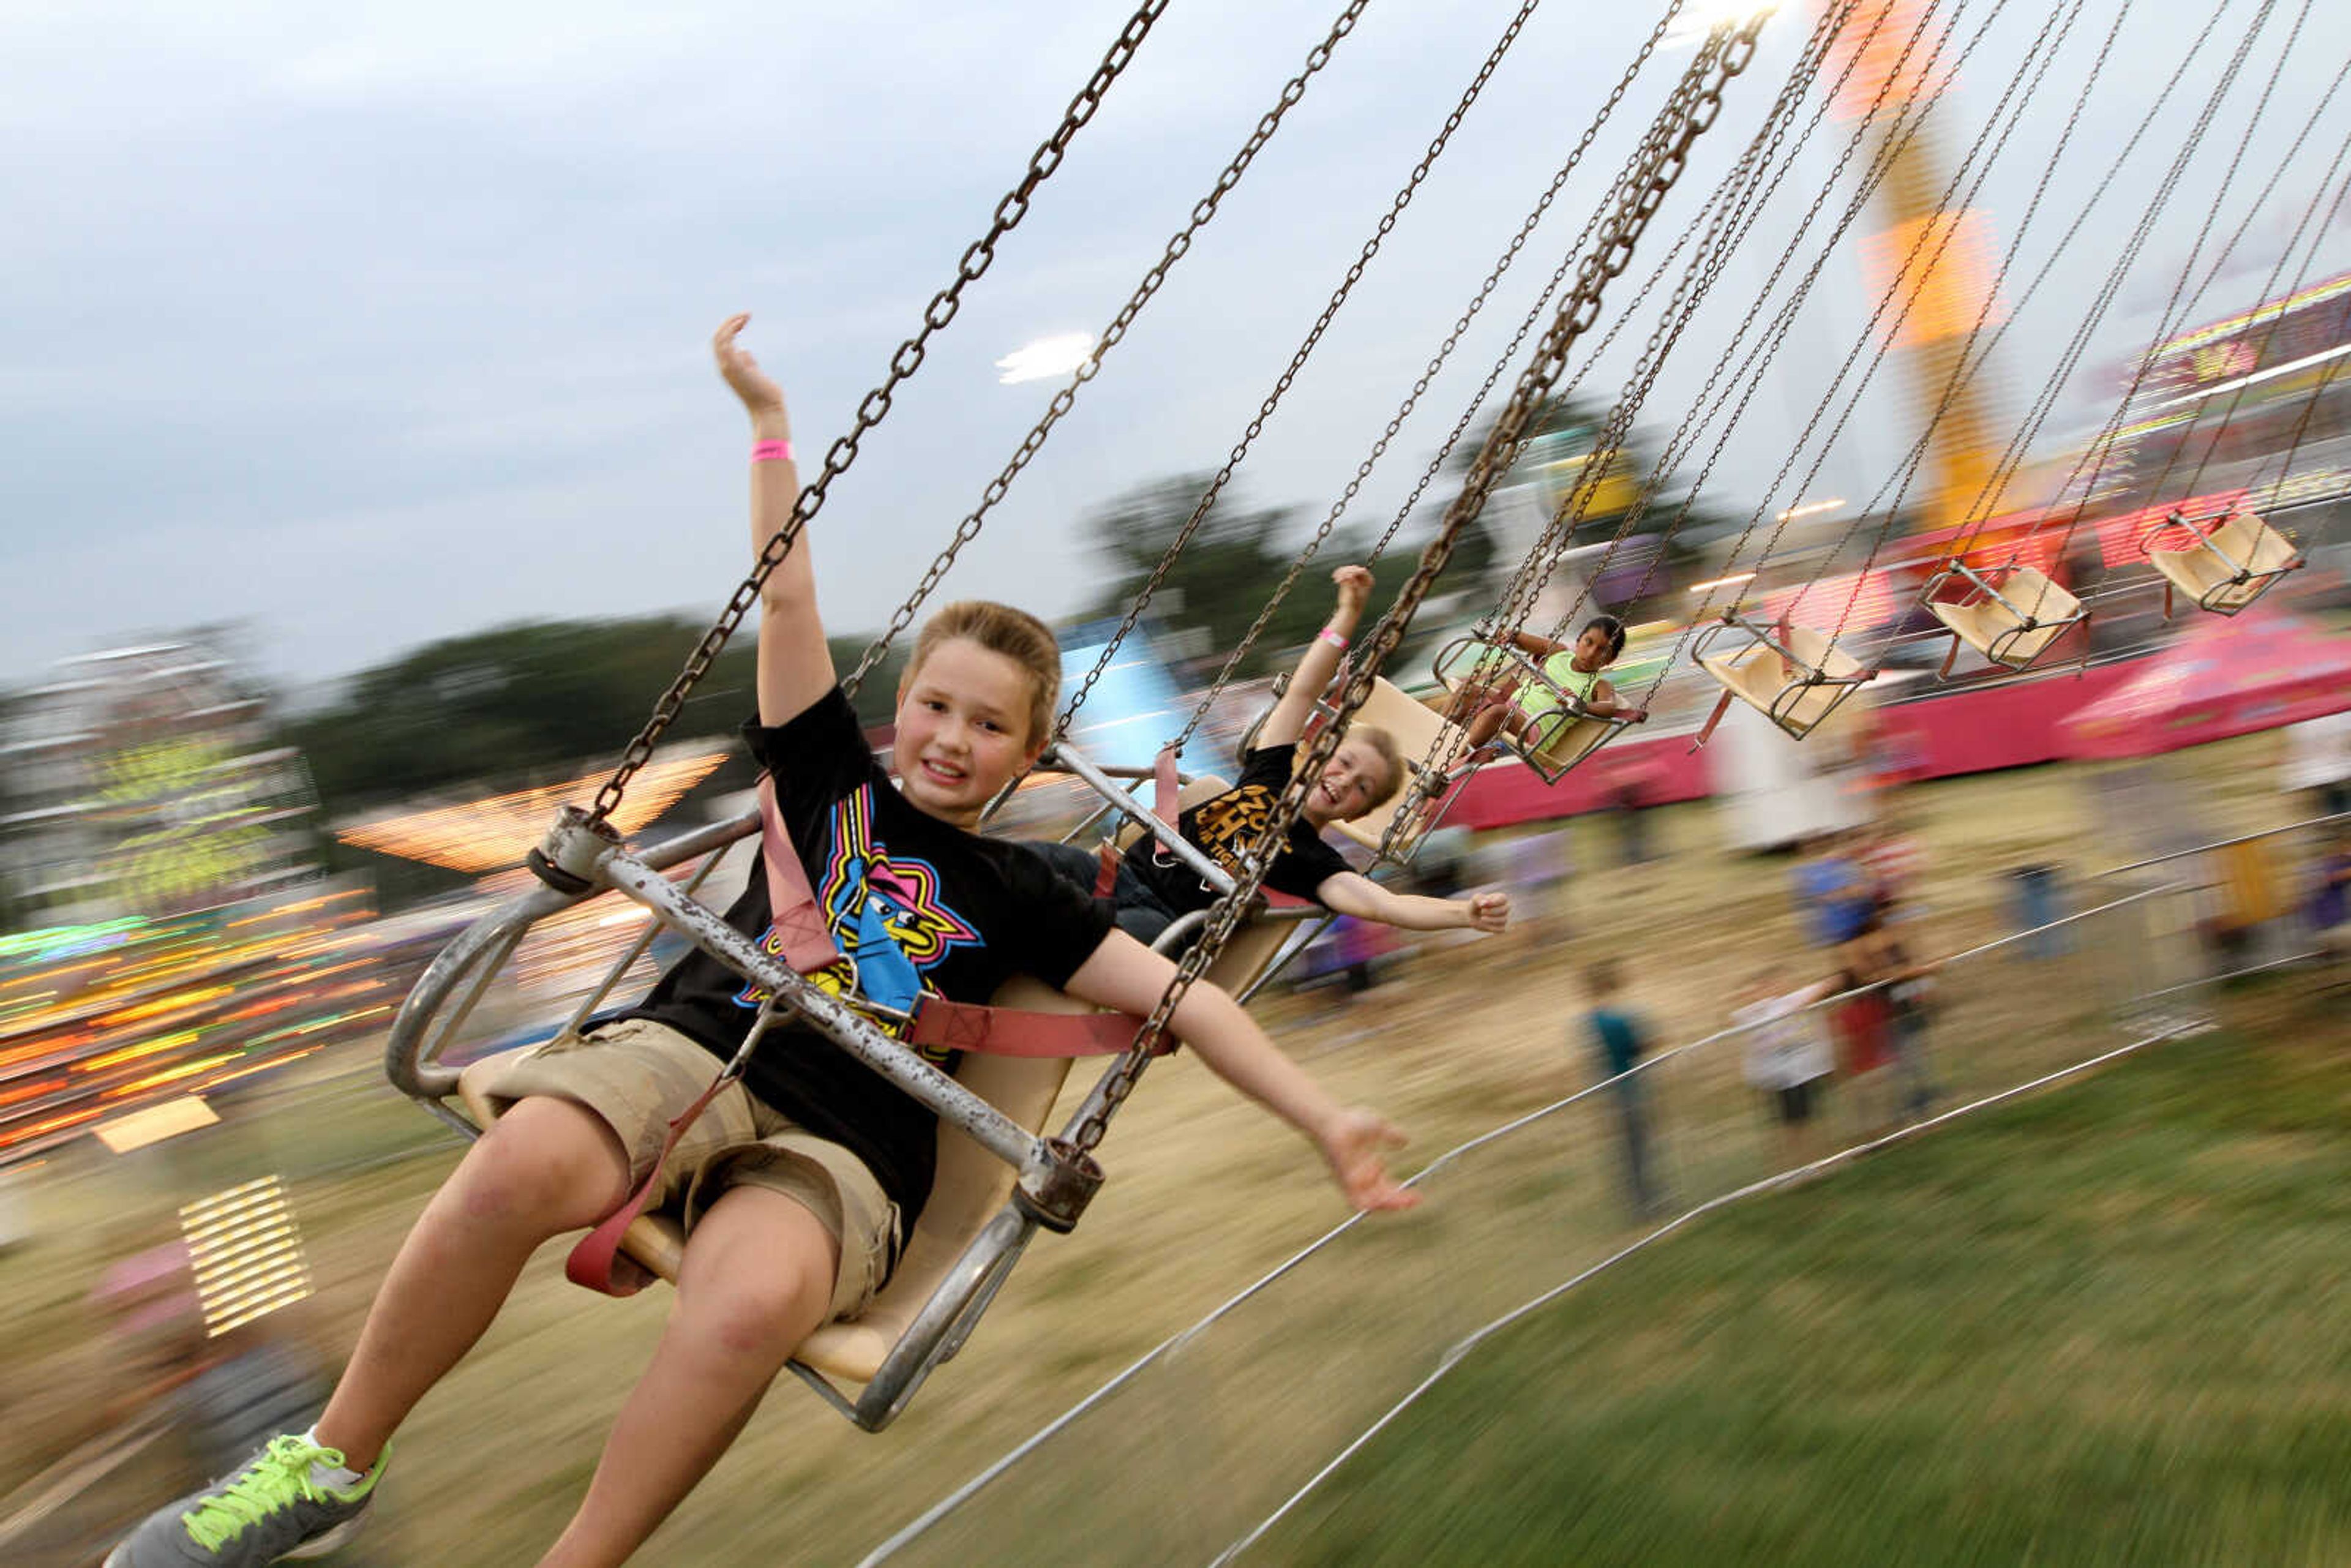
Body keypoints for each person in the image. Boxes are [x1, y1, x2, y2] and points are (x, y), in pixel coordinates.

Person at [106, 317, 1417, 1568]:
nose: (956, 737)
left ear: (1030, 751)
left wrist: (1325, 1120)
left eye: (991, 724)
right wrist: (772, 426)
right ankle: (331, 1461)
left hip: (854, 1137)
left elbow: (1190, 999)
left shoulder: (1028, 889)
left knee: (744, 1299)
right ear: (905, 706)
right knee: (519, 1156)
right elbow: (786, 600)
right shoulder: (829, 778)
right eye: (938, 705)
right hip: (694, 1047)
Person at [1034, 565, 1510, 950]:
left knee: (1082, 930)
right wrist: (1348, 615)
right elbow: (1302, 691)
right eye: (1343, 763)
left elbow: (1387, 905)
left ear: (1359, 811)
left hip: (1161, 920)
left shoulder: (1315, 863)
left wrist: (1463, 912)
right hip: (1117, 874)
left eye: (1362, 787)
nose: (1345, 781)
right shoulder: (1268, 774)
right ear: (1317, 755)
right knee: (1028, 864)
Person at [1450, 615, 1649, 756]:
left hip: (1534, 729)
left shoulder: (1599, 685)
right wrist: (1506, 635)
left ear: (1610, 660)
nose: (1590, 654)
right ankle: (1435, 739)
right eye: (1588, 642)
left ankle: (1453, 759)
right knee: (1467, 689)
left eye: (1602, 651)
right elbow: (1521, 638)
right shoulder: (1558, 652)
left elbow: (1609, 706)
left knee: (1496, 713)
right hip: (1511, 705)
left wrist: (1582, 706)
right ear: (1579, 639)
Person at [1730, 966, 1837, 1169]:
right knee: (1788, 1126)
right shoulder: (1753, 1013)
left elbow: (1830, 983)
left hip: (1804, 1073)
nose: (1776, 987)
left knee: (1811, 1119)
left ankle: (1820, 1162)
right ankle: (1791, 1168)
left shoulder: (1795, 998)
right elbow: (1731, 1016)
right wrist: (1750, 997)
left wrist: (1801, 1001)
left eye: (1778, 982)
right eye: (1766, 986)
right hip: (1779, 1079)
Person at [1581, 959, 1660, 1218]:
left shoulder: (1588, 1021)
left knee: (1626, 1151)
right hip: (1629, 1087)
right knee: (1640, 1148)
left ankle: (1636, 1203)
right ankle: (1647, 1204)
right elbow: (1639, 1047)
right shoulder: (1617, 1020)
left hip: (1607, 1090)